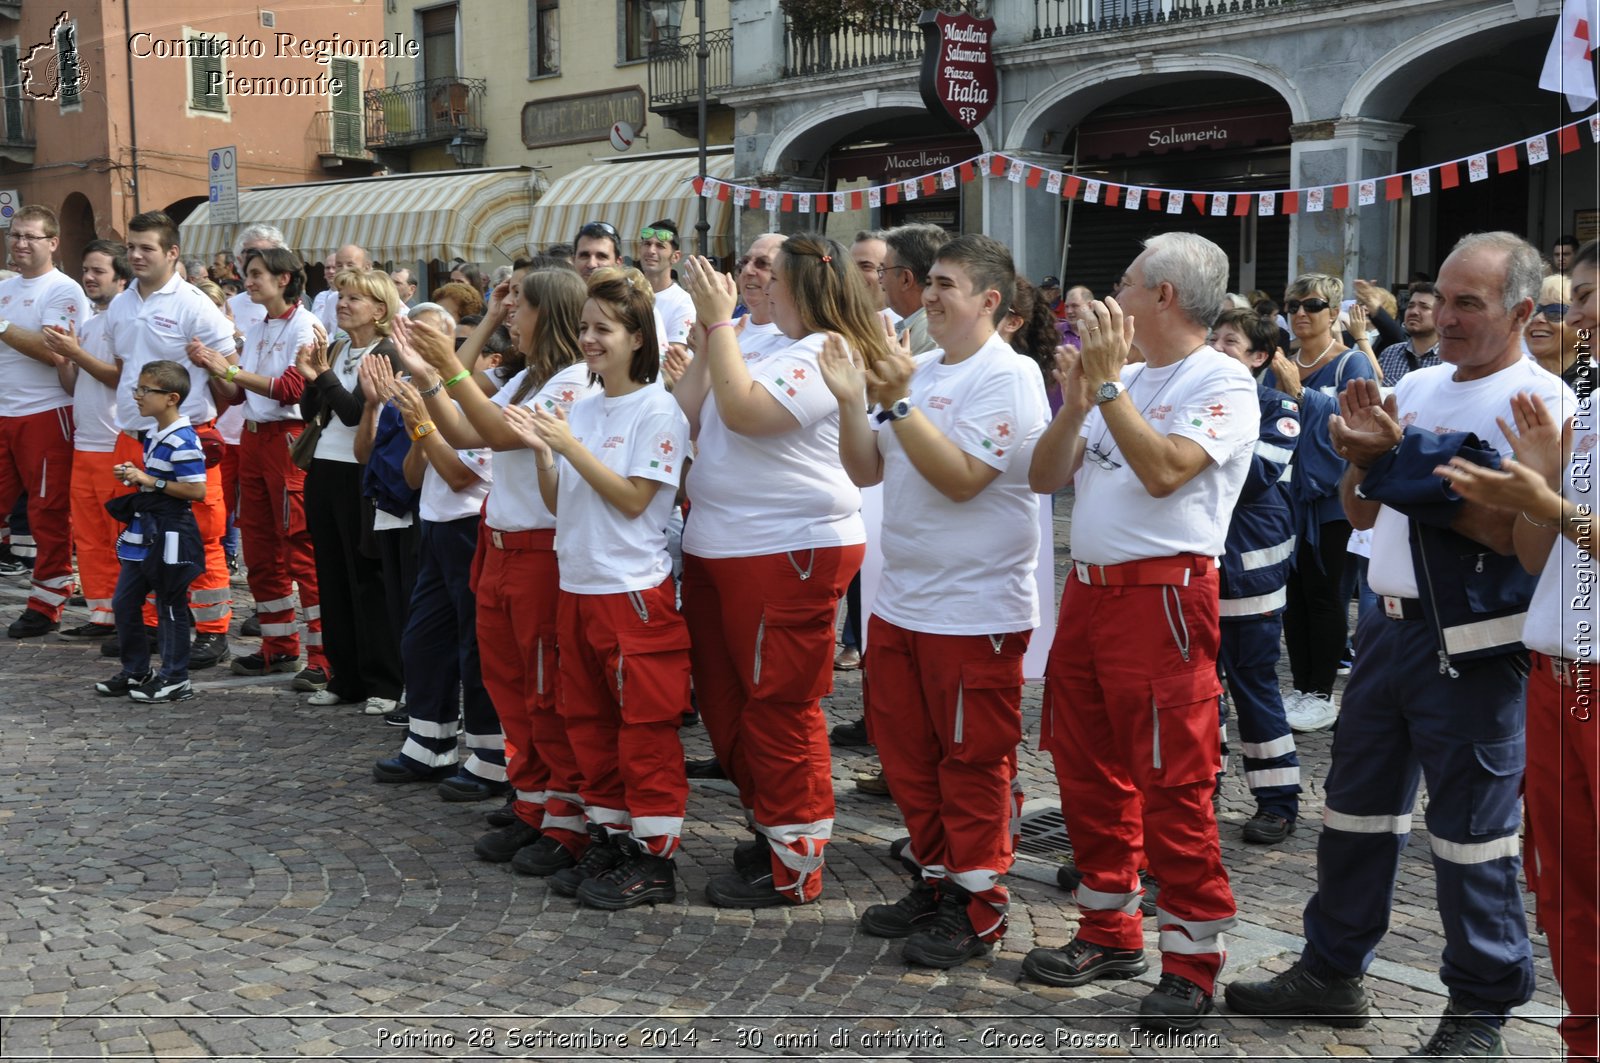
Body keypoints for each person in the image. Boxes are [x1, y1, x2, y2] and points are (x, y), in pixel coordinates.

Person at [1225, 232, 1574, 1058]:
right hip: (1384, 630)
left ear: (1522, 312)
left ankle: (1480, 1011)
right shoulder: (1413, 382)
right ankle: (1332, 967)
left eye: (1468, 304)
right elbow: (1362, 513)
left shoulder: (1544, 403)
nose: (1445, 316)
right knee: (1354, 812)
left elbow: (1509, 536)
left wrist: (1390, 459)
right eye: (1442, 297)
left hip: (1477, 646)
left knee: (1471, 836)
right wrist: (1359, 457)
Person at [1025, 232, 1257, 1031]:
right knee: (1085, 770)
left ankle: (1192, 962)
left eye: (1123, 281)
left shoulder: (1222, 376)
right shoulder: (1119, 380)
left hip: (1162, 597)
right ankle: (1108, 929)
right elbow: (1047, 477)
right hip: (1090, 595)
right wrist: (1085, 399)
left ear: (1162, 295)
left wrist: (1111, 386)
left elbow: (1164, 471)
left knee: (1174, 784)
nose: (1108, 296)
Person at [821, 233, 1048, 967]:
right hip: (904, 599)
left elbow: (961, 478)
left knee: (971, 760)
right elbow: (865, 468)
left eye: (949, 284)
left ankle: (980, 905)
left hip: (975, 607)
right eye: (933, 283)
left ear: (991, 300)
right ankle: (937, 876)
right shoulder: (915, 368)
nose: (933, 295)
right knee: (908, 757)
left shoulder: (1008, 376)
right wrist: (857, 401)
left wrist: (896, 399)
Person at [674, 235, 882, 908]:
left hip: (785, 547)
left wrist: (712, 324)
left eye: (769, 270)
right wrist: (715, 336)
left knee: (779, 706)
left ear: (796, 287)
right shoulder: (753, 338)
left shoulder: (826, 348)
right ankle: (771, 823)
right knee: (727, 703)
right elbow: (687, 409)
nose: (751, 278)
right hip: (722, 542)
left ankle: (795, 858)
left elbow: (746, 413)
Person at [1433, 241, 1596, 1058]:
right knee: (1564, 889)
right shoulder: (1588, 407)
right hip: (1555, 669)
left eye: (1595, 297)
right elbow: (1538, 559)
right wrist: (1537, 495)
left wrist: (1547, 501)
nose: (1583, 315)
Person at [499, 267, 691, 908]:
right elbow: (562, 501)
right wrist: (548, 456)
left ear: (639, 337)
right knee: (588, 726)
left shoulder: (658, 407)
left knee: (642, 731)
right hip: (577, 584)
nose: (589, 339)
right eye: (584, 327)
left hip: (628, 590)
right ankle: (611, 839)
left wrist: (569, 449)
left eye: (604, 329)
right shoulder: (584, 404)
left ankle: (654, 858)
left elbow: (638, 501)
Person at [396, 268, 597, 872]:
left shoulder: (570, 381)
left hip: (540, 546)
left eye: (521, 307)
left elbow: (494, 432)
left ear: (550, 315)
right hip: (501, 539)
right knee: (510, 686)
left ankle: (563, 819)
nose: (511, 315)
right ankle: (532, 803)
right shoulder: (526, 375)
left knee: (542, 688)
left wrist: (445, 370)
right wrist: (433, 378)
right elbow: (461, 431)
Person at [362, 351, 501, 800]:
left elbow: (461, 477)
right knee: (422, 639)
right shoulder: (441, 408)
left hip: (469, 528)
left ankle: (491, 754)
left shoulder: (480, 406)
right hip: (436, 527)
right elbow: (413, 477)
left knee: (474, 644)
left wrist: (424, 425)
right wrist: (420, 431)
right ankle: (430, 742)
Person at [103, 210, 237, 668]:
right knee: (141, 531)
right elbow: (123, 369)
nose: (136, 256)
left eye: (147, 248)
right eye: (132, 247)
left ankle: (214, 629)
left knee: (200, 532)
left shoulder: (195, 304)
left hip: (186, 435)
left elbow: (230, 374)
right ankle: (152, 624)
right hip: (135, 435)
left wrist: (216, 372)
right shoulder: (121, 303)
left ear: (172, 253)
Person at [189, 247, 327, 690]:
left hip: (287, 440)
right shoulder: (260, 324)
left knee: (301, 549)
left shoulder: (305, 324)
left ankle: (324, 656)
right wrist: (216, 372)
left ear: (284, 278)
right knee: (260, 549)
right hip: (253, 438)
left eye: (256, 274)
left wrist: (227, 369)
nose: (247, 281)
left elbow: (290, 389)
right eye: (248, 274)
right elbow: (238, 395)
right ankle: (279, 646)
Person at [1265, 273, 1378, 731]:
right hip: (1287, 496)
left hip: (1333, 497)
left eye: (1311, 305)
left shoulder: (1351, 363)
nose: (1300, 314)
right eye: (1292, 305)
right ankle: (1301, 687)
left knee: (1326, 593)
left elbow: (1358, 424)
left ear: (1334, 314)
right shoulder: (1283, 361)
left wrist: (1299, 393)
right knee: (1293, 596)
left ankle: (1321, 693)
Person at [1208, 308, 1302, 844]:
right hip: (1199, 573)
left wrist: (1190, 451)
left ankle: (1278, 802)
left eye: (1231, 342)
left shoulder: (1277, 406)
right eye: (1214, 338)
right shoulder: (1205, 399)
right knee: (1201, 695)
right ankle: (1205, 789)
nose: (1218, 348)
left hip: (1249, 577)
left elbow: (1258, 474)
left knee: (1254, 689)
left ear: (1259, 357)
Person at [295, 267, 406, 716]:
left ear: (380, 309)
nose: (342, 304)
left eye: (354, 299)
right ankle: (345, 676)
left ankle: (384, 678)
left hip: (362, 473)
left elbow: (354, 413)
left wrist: (323, 376)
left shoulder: (388, 353)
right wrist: (310, 375)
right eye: (341, 296)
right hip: (324, 469)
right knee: (331, 573)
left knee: (367, 577)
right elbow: (312, 412)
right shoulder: (338, 348)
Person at [0, 205, 94, 638]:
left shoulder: (63, 290)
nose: (19, 243)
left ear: (52, 243)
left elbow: (56, 353)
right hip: (5, 410)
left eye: (29, 237)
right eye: (14, 235)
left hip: (45, 411)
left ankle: (47, 603)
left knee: (47, 513)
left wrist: (1, 326)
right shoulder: (7, 286)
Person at [96, 360, 207, 703]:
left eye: (146, 390)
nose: (138, 396)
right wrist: (136, 474)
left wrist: (150, 480)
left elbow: (196, 490)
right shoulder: (157, 434)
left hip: (170, 530)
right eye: (138, 389)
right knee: (125, 601)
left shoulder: (184, 438)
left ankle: (176, 677)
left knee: (170, 603)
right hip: (147, 528)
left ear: (171, 398)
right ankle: (136, 670)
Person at [47, 239, 130, 640]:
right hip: (85, 442)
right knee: (90, 536)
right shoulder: (91, 322)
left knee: (118, 536)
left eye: (99, 271)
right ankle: (102, 614)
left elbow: (118, 378)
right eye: (86, 270)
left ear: (122, 278)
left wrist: (75, 355)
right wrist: (66, 360)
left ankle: (129, 615)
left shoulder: (125, 319)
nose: (89, 278)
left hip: (115, 443)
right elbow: (73, 386)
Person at [879, 225, 949, 357]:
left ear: (906, 279)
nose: (880, 281)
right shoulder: (921, 327)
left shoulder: (929, 335)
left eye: (884, 271)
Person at [1525, 272, 1594, 399]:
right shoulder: (1511, 380)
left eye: (1555, 312)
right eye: (1533, 311)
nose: (1538, 318)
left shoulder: (1595, 385)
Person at [635, 220, 695, 346]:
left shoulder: (683, 303)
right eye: (647, 244)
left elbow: (674, 358)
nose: (651, 250)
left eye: (660, 246)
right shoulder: (626, 292)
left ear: (676, 257)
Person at [1375, 281, 1440, 384]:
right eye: (1410, 306)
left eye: (1424, 307)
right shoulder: (1390, 354)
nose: (1414, 311)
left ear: (1441, 314)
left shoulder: (1452, 360)